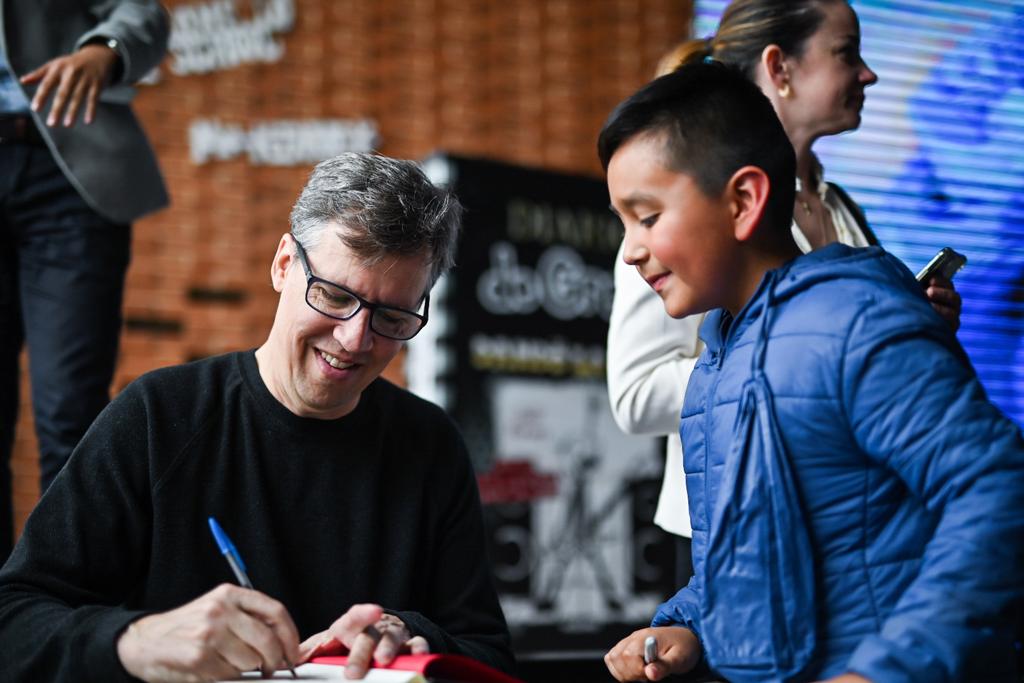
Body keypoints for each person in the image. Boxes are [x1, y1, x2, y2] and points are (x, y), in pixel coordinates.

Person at [0, 153, 515, 682]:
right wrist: (137, 640)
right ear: (284, 264)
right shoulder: (159, 417)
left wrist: (410, 634)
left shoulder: (430, 444)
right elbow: (12, 620)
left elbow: (490, 656)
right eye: (334, 296)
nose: (354, 339)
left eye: (392, 317)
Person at [599, 62, 1024, 683]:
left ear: (743, 201)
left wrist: (886, 670)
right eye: (623, 222)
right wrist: (686, 625)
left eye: (647, 217)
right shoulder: (713, 366)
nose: (632, 250)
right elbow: (746, 559)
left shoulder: (853, 320)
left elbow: (997, 489)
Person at [606, 0, 965, 593]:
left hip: (840, 513)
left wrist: (911, 325)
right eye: (846, 53)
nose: (868, 73)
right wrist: (801, 358)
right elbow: (636, 395)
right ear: (780, 68)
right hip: (726, 526)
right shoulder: (679, 212)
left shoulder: (841, 206)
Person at [0, 0, 170, 562]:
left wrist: (106, 51)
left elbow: (141, 12)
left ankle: (63, 597)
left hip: (66, 172)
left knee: (69, 414)